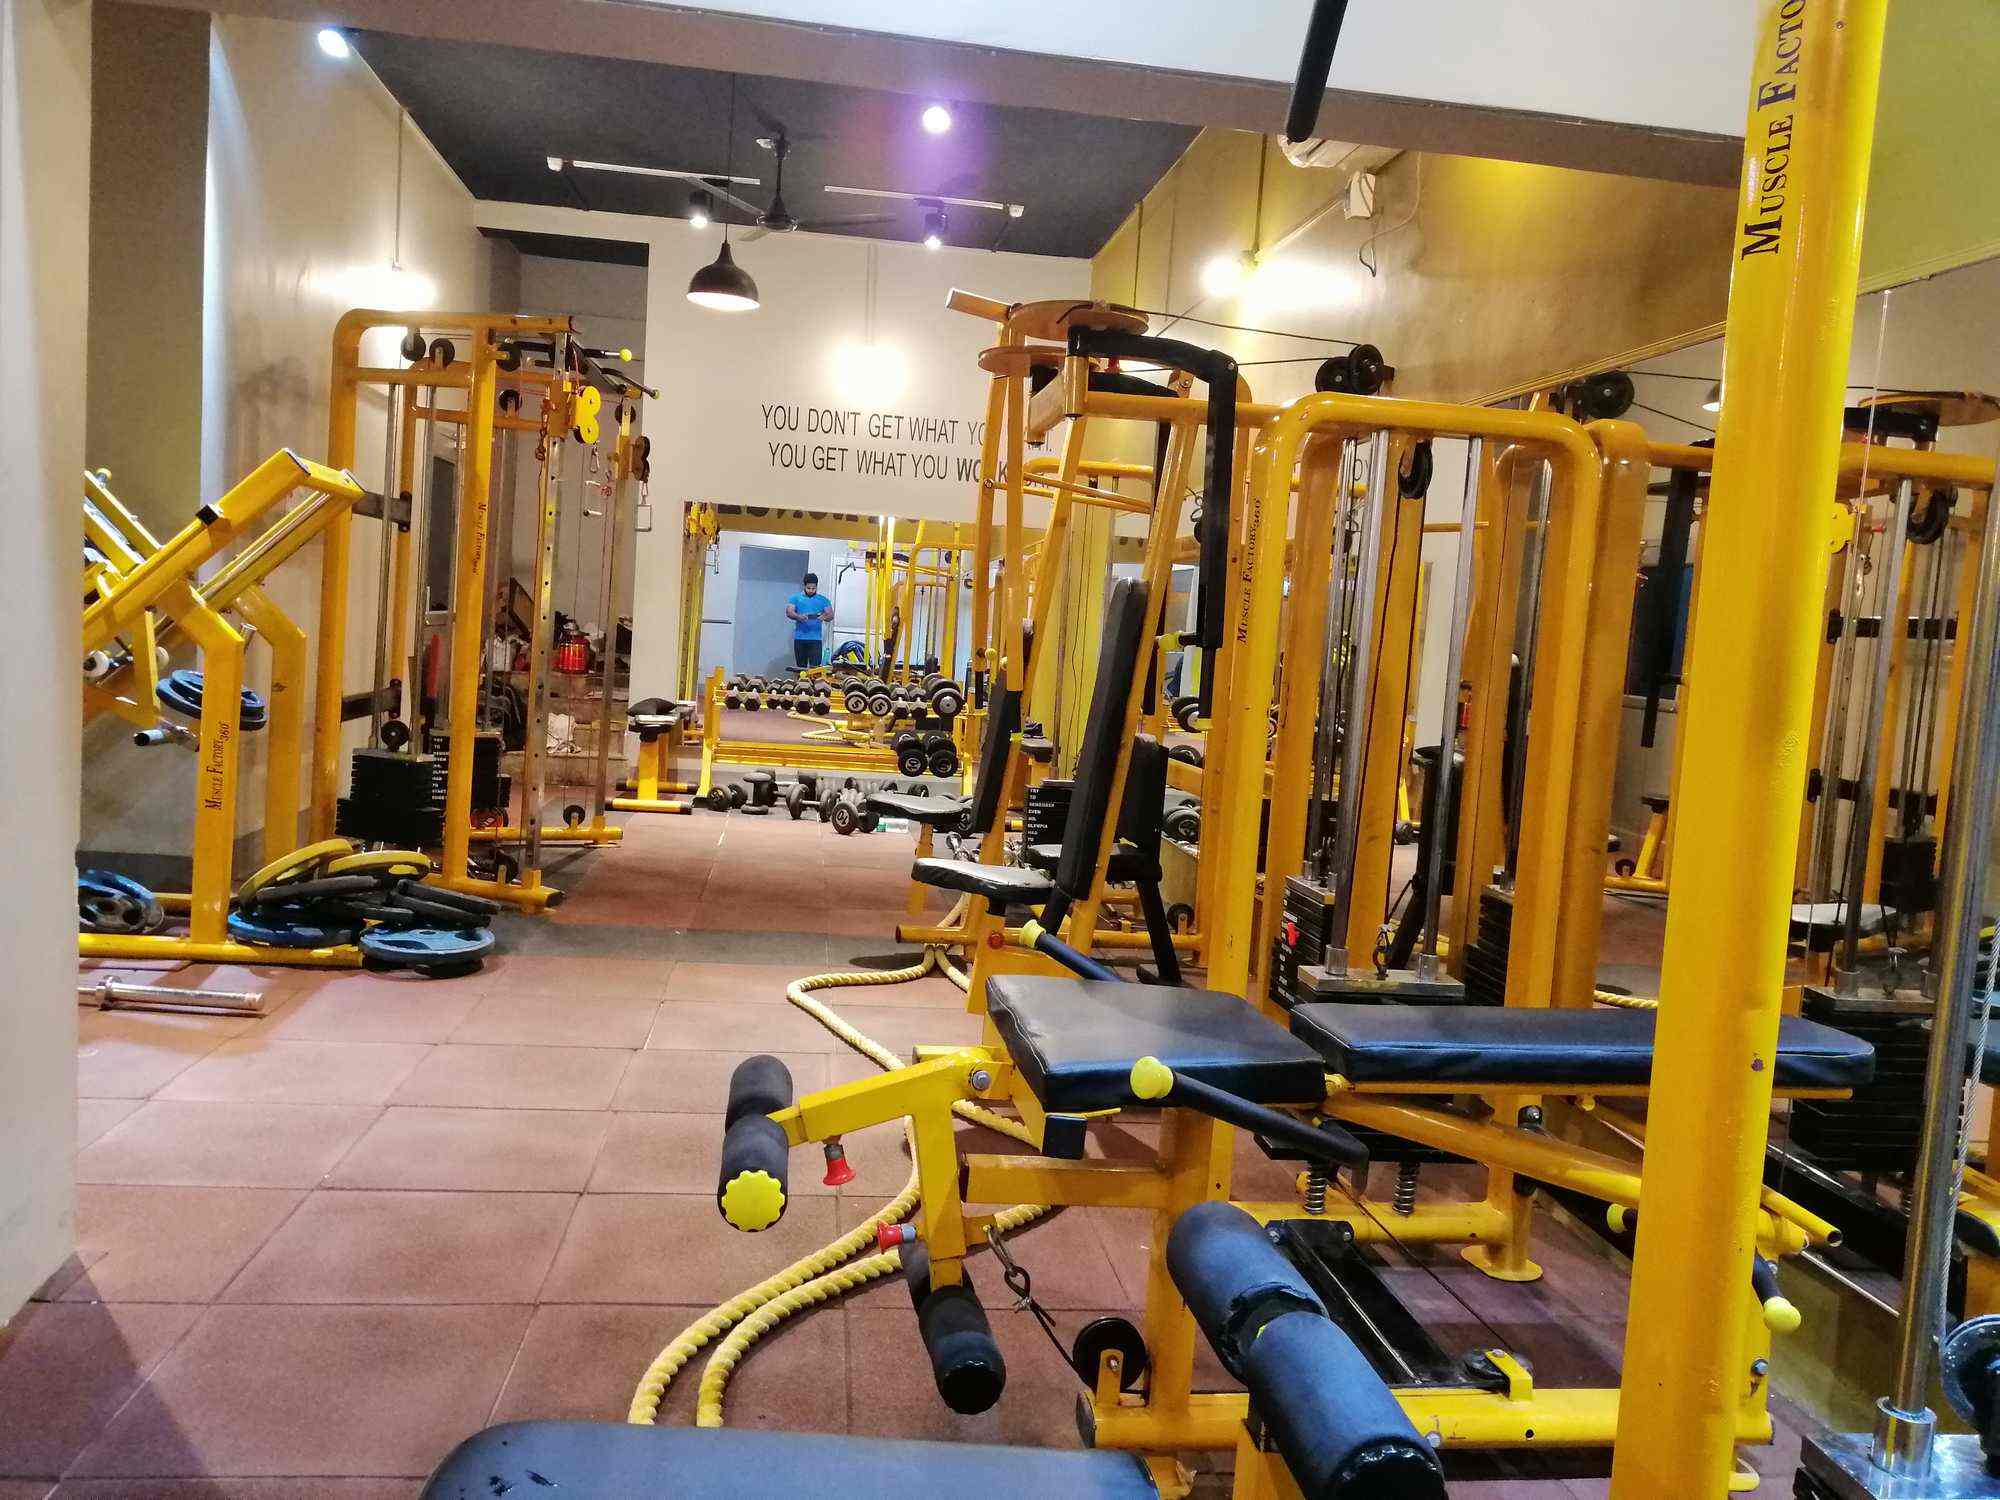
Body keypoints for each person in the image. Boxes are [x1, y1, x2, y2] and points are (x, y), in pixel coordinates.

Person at [785, 573, 834, 669]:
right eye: (808, 588)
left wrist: (823, 617)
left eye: (813, 588)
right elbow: (789, 612)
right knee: (800, 668)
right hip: (800, 639)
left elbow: (831, 615)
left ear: (816, 587)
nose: (811, 590)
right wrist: (799, 617)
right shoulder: (795, 598)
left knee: (815, 669)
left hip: (816, 640)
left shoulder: (823, 600)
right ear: (804, 586)